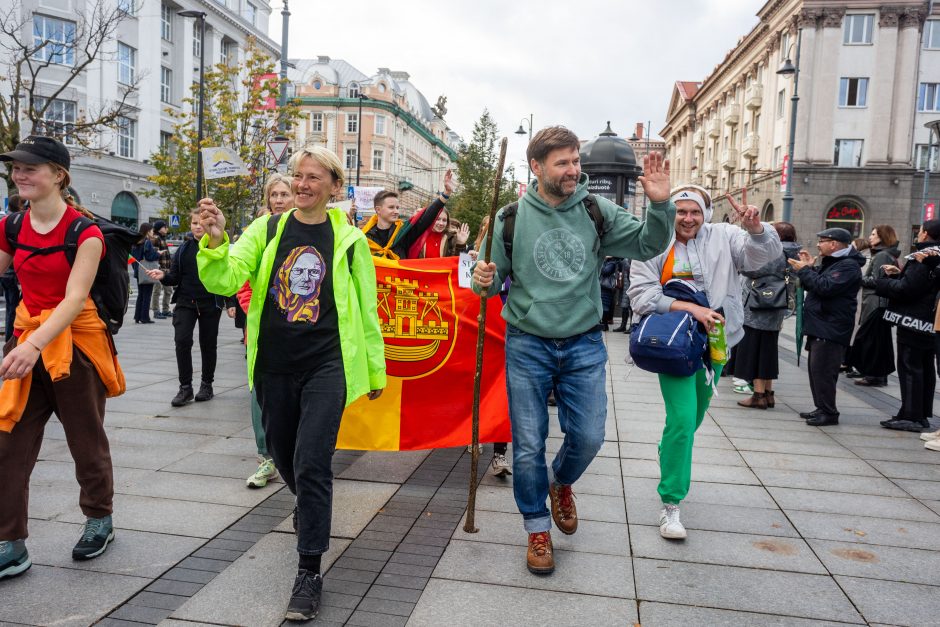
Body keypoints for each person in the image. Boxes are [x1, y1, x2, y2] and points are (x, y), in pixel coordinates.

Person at [472, 126, 675, 575]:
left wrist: (661, 205)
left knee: (588, 437)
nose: (573, 170)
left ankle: (561, 481)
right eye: (562, 162)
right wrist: (482, 281)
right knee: (527, 446)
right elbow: (485, 283)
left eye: (576, 161)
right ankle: (536, 527)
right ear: (537, 167)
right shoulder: (509, 218)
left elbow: (648, 244)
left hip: (583, 341)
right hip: (527, 343)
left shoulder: (594, 210)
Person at [196, 146, 386, 621]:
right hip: (273, 365)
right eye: (297, 176)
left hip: (328, 365)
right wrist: (216, 241)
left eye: (313, 177)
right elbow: (227, 278)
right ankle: (306, 502)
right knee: (282, 453)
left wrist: (376, 370)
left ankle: (309, 569)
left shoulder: (351, 240)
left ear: (333, 187)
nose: (301, 185)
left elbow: (366, 308)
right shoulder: (268, 228)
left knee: (312, 460)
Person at [0, 136, 125, 579]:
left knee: (85, 442)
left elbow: (74, 301)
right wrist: (24, 345)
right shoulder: (12, 227)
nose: (20, 175)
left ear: (58, 175)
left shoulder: (84, 233)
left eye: (30, 167)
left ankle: (99, 519)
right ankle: (10, 542)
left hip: (76, 347)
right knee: (8, 443)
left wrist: (31, 346)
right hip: (26, 341)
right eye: (16, 167)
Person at [629, 187, 781, 540]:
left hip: (715, 342)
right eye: (680, 211)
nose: (687, 218)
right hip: (673, 344)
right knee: (682, 421)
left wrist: (757, 228)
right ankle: (671, 505)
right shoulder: (654, 241)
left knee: (692, 419)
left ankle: (669, 454)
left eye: (694, 212)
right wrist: (690, 308)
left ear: (706, 213)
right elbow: (640, 295)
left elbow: (761, 259)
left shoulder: (725, 236)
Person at [145, 209, 232, 406]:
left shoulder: (215, 247)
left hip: (210, 303)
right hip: (186, 302)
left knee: (208, 344)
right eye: (194, 223)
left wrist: (231, 302)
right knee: (182, 341)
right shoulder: (183, 249)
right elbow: (174, 277)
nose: (198, 226)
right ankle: (185, 388)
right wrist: (163, 276)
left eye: (202, 222)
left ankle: (206, 384)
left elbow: (227, 274)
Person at [239, 173, 293, 489]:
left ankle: (294, 458)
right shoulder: (257, 232)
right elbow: (243, 279)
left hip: (299, 333)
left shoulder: (309, 231)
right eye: (273, 195)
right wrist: (253, 310)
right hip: (263, 332)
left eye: (284, 194)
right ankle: (267, 459)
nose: (278, 200)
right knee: (258, 396)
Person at [789, 227, 865, 427]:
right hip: (821, 324)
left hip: (831, 326)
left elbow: (825, 287)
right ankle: (822, 407)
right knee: (816, 370)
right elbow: (817, 283)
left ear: (834, 244)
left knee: (824, 371)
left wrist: (805, 270)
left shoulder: (848, 266)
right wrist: (810, 268)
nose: (817, 244)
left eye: (822, 241)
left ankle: (829, 412)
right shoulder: (834, 263)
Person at [874, 221, 940, 432]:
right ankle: (917, 414)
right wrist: (899, 274)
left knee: (910, 367)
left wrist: (883, 282)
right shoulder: (935, 256)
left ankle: (911, 415)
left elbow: (908, 289)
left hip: (914, 321)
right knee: (924, 368)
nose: (918, 234)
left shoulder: (925, 256)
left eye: (920, 230)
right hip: (928, 321)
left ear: (926, 234)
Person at [735, 222, 800, 409]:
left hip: (758, 305)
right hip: (777, 304)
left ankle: (758, 395)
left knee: (756, 351)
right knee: (768, 351)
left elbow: (752, 269)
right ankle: (769, 393)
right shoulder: (794, 251)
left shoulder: (775, 251)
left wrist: (741, 263)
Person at [848, 225, 901, 387]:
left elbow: (877, 281)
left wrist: (858, 278)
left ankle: (874, 374)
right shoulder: (885, 254)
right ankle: (873, 373)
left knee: (872, 339)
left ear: (882, 237)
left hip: (875, 301)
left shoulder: (882, 255)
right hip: (877, 301)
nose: (870, 237)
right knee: (876, 339)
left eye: (873, 235)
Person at [361, 170, 455, 259]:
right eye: (391, 207)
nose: (396, 211)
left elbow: (424, 219)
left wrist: (445, 194)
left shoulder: (403, 232)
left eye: (397, 208)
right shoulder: (364, 236)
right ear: (378, 209)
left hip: (398, 276)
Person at [1, 194, 26, 341]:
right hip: (12, 275)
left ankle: (9, 339)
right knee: (14, 309)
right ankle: (11, 339)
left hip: (5, 275)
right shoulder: (16, 222)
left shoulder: (5, 220)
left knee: (10, 307)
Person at [131, 223, 159, 324]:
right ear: (147, 231)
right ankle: (145, 317)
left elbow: (133, 258)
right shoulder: (147, 242)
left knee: (141, 295)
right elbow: (150, 256)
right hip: (147, 271)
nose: (153, 232)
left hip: (139, 271)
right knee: (147, 295)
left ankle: (137, 316)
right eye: (151, 231)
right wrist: (158, 254)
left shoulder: (135, 242)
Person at [150, 219, 173, 319]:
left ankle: (165, 310)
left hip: (166, 269)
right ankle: (156, 311)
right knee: (157, 291)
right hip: (159, 269)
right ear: (160, 228)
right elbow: (154, 254)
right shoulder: (155, 239)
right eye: (165, 227)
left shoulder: (163, 238)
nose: (167, 229)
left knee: (168, 291)